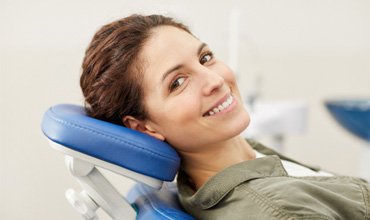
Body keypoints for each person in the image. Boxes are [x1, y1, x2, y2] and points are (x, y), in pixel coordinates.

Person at [80, 14, 370, 219]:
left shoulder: (251, 161)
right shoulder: (281, 212)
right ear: (144, 127)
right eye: (178, 83)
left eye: (205, 58)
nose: (215, 80)